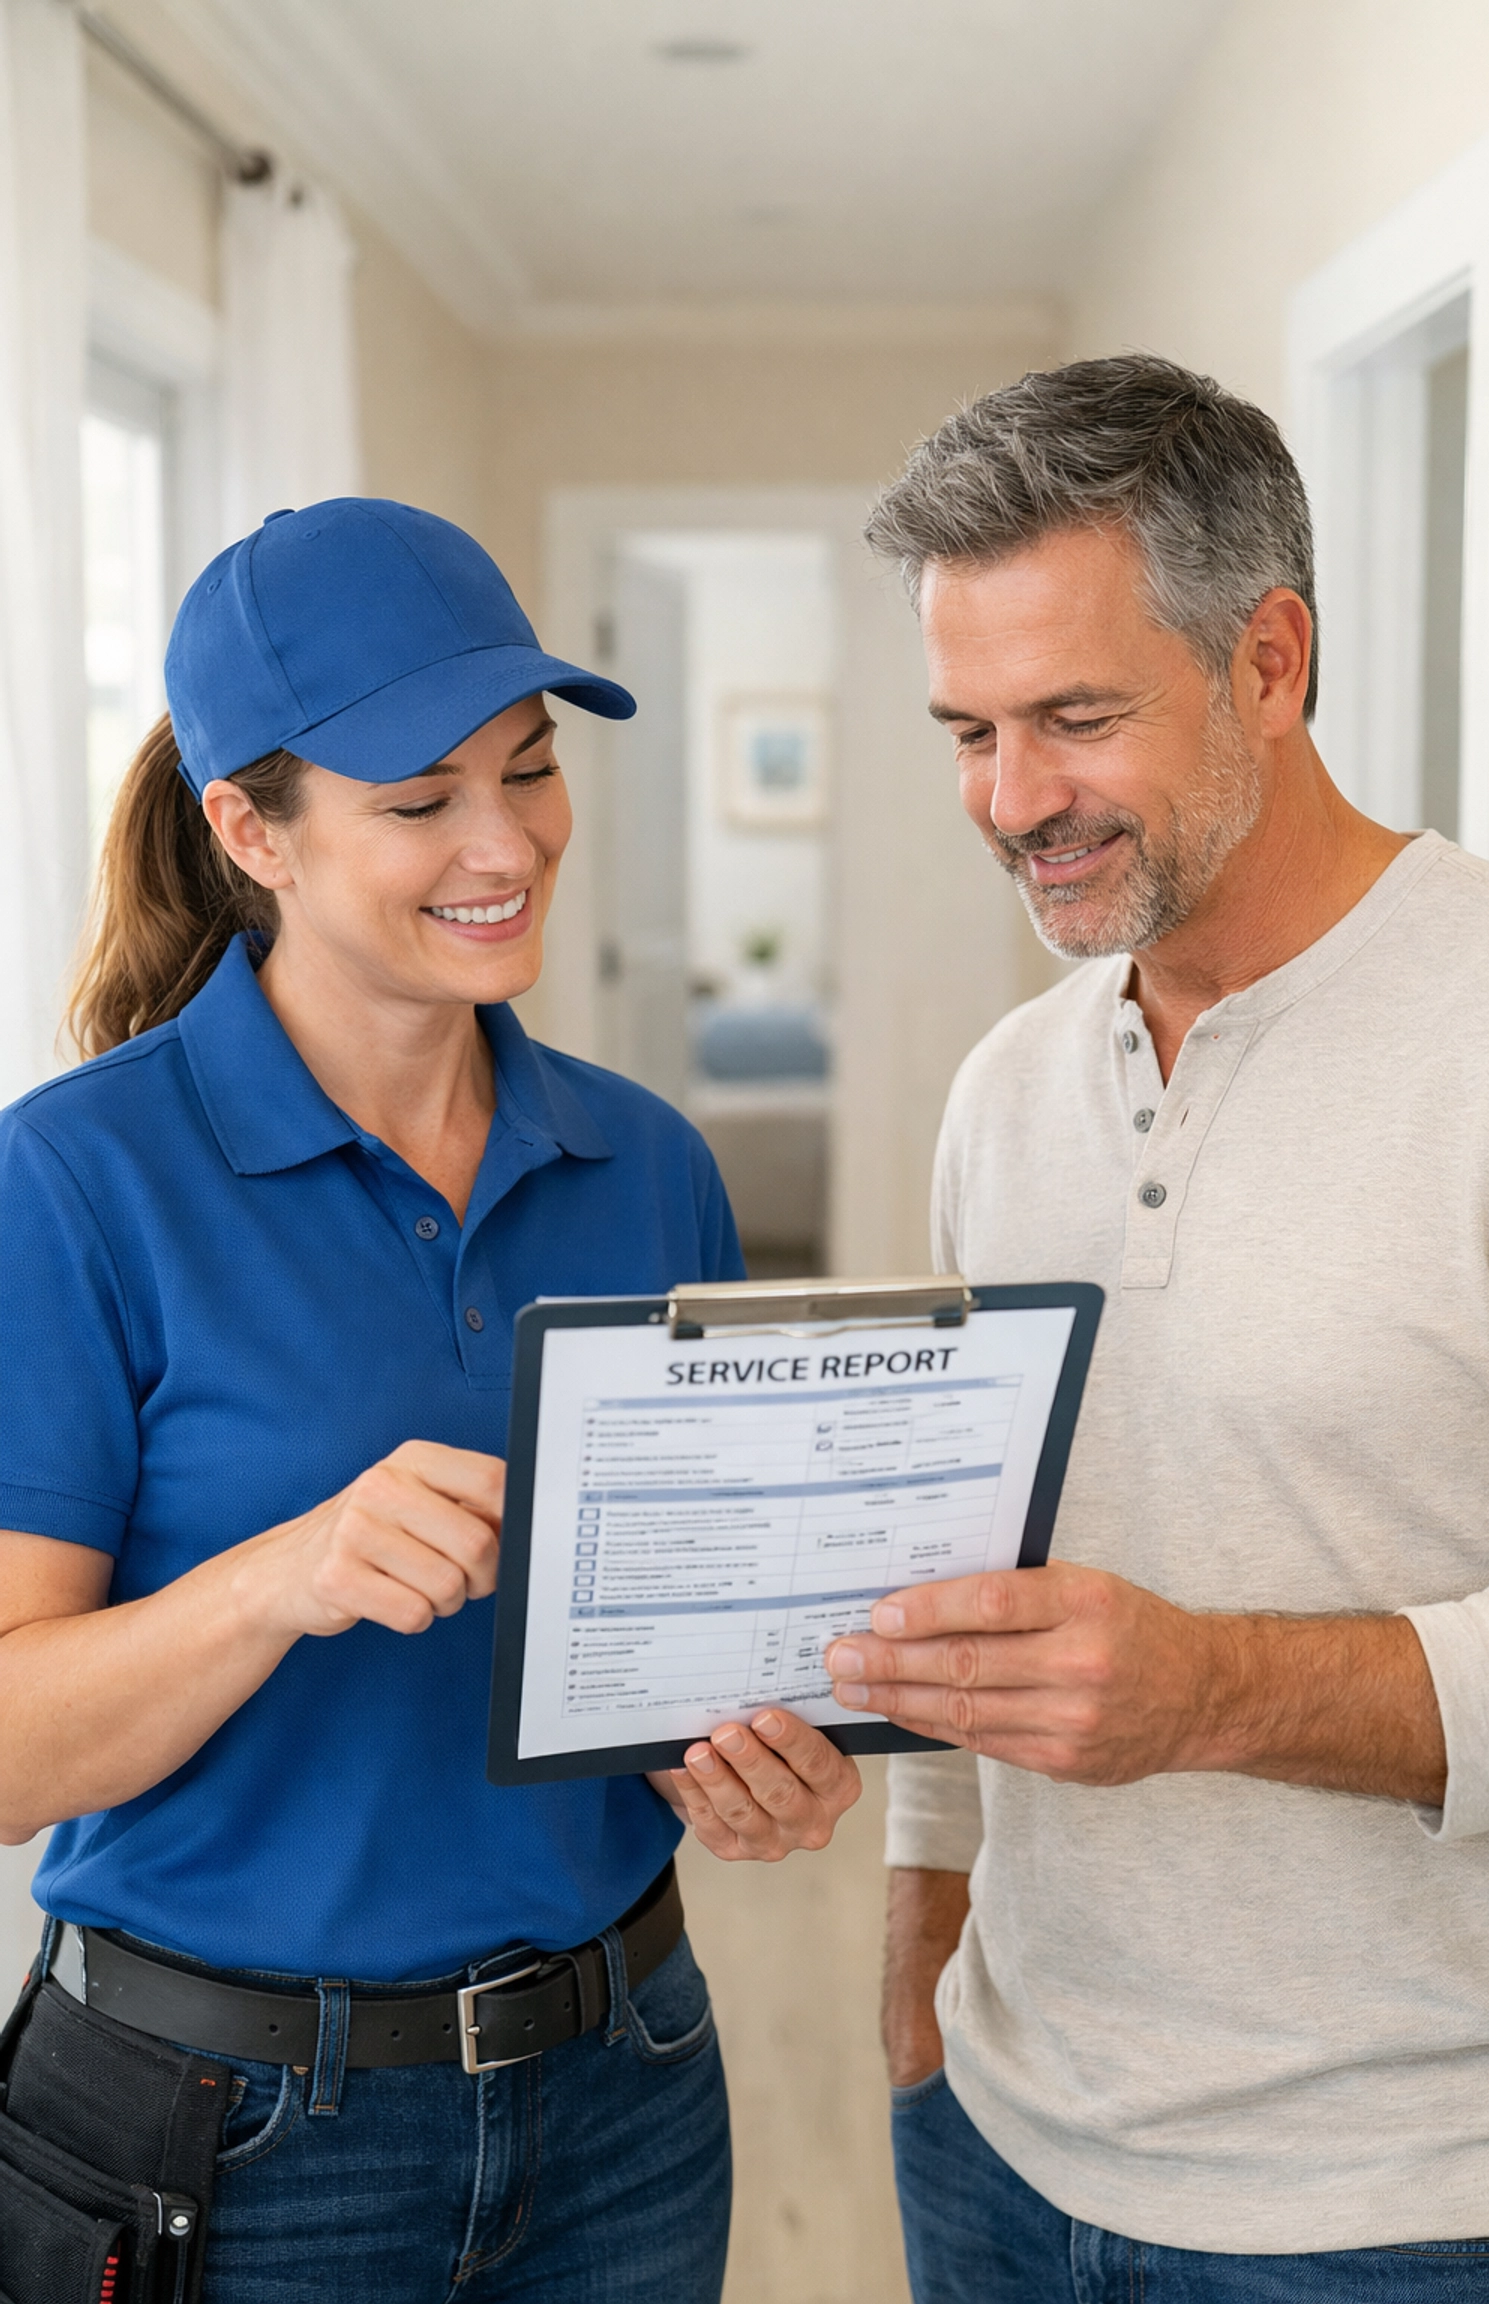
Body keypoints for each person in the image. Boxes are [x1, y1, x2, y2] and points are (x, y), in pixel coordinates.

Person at [0, 498, 859, 2302]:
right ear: (252, 830)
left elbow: (668, 1655)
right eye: (418, 802)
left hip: (624, 2090)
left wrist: (747, 1771)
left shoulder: (651, 1167)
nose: (507, 844)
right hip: (229, 2144)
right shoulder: (75, 1185)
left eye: (530, 770)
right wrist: (281, 1577)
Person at [825, 357, 1489, 2298]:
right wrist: (920, 1952)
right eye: (966, 729)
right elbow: (975, 1558)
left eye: (1074, 718)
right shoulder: (1004, 1091)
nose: (1011, 800)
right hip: (1000, 2141)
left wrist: (1212, 1690)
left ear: (1272, 661)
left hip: (1415, 2213)